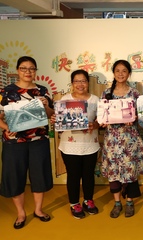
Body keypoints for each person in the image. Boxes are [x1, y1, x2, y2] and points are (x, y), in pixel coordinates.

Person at [0, 56, 54, 229]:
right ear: (18, 70)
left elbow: (50, 115)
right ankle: (21, 213)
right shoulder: (6, 92)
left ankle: (38, 210)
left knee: (39, 175)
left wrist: (46, 106)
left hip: (39, 139)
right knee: (15, 176)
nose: (28, 72)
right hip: (14, 141)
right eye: (24, 68)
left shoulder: (43, 91)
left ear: (36, 71)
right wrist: (6, 127)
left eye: (32, 68)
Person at [100, 60, 143, 218]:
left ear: (129, 73)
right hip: (112, 140)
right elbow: (102, 116)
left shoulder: (135, 93)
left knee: (130, 171)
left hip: (129, 139)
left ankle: (129, 202)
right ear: (113, 73)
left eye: (124, 71)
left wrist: (133, 119)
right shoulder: (106, 93)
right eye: (117, 71)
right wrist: (101, 121)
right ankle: (116, 203)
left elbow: (141, 116)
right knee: (114, 172)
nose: (121, 74)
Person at [51, 69, 100, 219]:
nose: (80, 84)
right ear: (72, 83)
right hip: (69, 145)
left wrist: (94, 125)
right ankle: (74, 203)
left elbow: (102, 121)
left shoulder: (95, 99)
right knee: (73, 175)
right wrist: (55, 120)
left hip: (90, 144)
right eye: (77, 81)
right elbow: (58, 124)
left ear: (88, 82)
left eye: (83, 81)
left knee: (88, 175)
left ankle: (88, 201)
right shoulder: (64, 100)